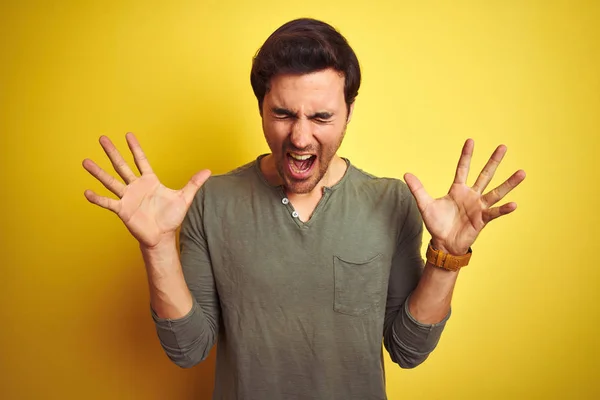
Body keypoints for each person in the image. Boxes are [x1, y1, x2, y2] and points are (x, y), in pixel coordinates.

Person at [82, 18, 525, 400]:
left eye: (321, 118)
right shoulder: (210, 202)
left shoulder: (392, 202)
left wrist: (447, 259)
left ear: (349, 112)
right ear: (260, 108)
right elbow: (189, 349)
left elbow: (408, 351)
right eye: (282, 114)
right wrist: (158, 246)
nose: (299, 137)